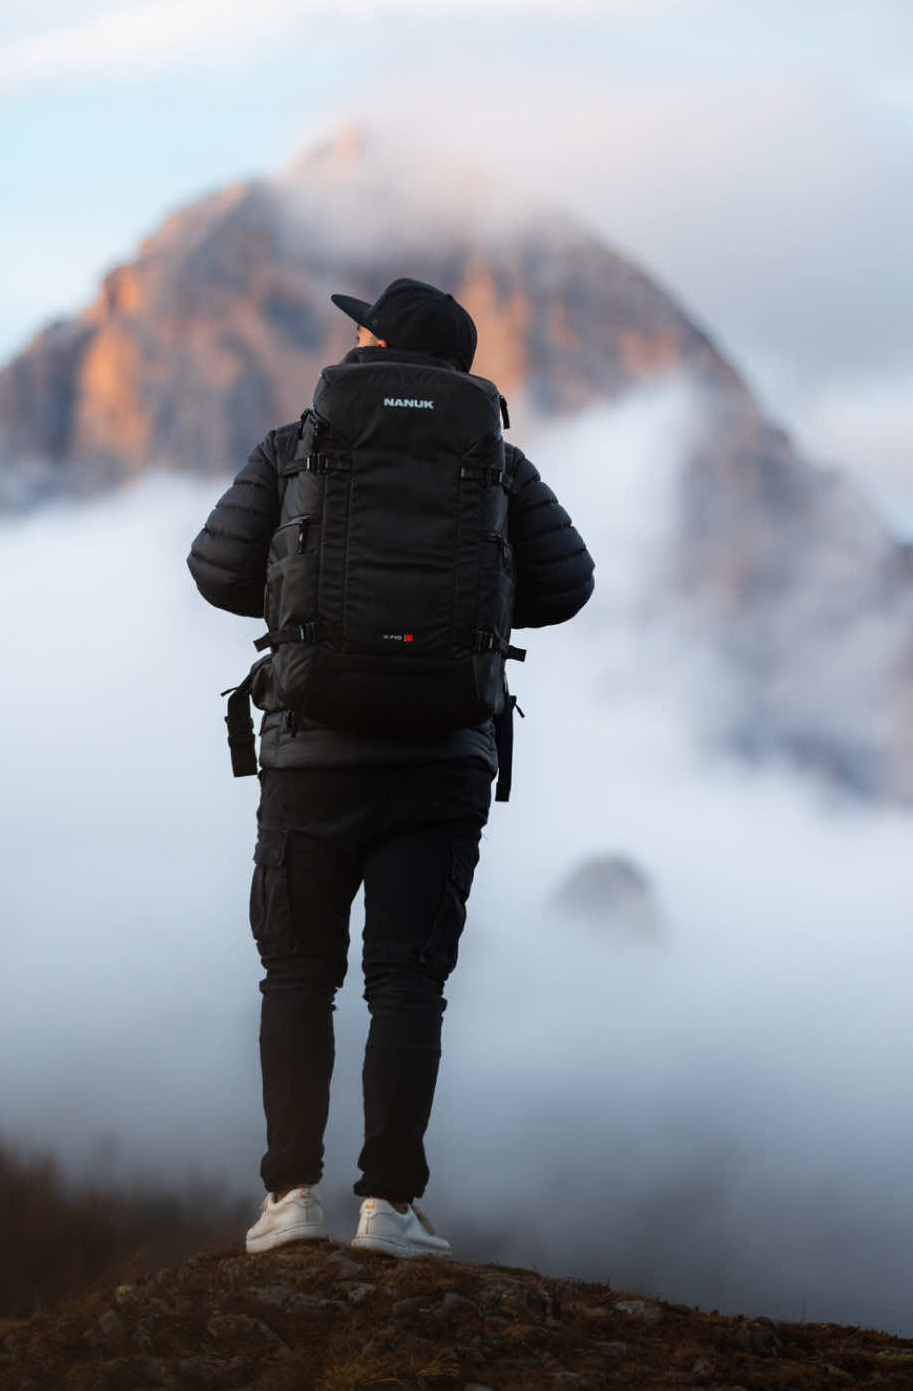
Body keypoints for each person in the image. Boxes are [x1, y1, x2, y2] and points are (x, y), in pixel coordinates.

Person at [187, 278, 594, 1257]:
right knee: (406, 987)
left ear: (374, 344)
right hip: (442, 759)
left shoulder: (297, 448)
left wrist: (300, 605)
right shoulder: (498, 464)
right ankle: (391, 1211)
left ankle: (289, 1201)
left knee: (297, 975)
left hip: (310, 753)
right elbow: (569, 584)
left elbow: (212, 568)